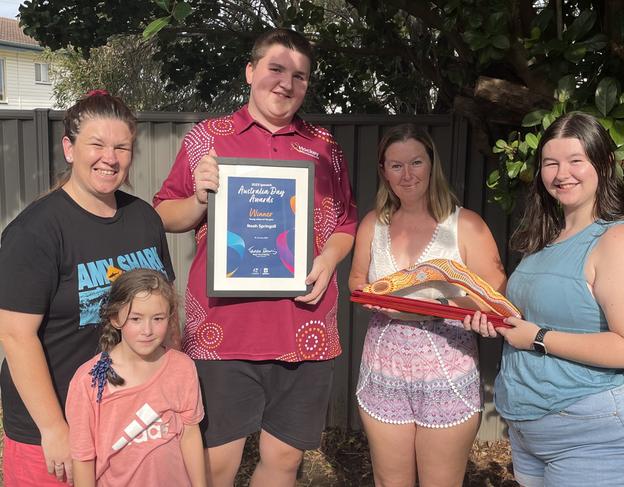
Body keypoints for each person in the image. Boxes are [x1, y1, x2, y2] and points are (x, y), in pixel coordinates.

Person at [154, 28, 357, 486]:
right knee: (214, 464)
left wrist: (328, 260)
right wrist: (201, 200)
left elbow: (347, 221)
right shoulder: (208, 139)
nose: (287, 83)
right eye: (277, 69)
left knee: (284, 461)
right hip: (225, 331)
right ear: (251, 71)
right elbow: (164, 212)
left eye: (300, 76)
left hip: (303, 328)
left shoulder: (325, 147)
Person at [0, 91, 176, 486]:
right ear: (69, 148)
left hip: (128, 418)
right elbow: (15, 334)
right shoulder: (35, 231)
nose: (109, 158)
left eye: (121, 147)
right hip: (54, 424)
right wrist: (54, 428)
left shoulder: (144, 219)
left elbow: (164, 312)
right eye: (96, 144)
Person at [465, 112, 624, 486]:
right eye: (551, 163)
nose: (562, 173)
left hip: (596, 435)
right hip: (531, 432)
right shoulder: (546, 241)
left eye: (575, 160)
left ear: (604, 164)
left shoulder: (618, 239)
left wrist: (537, 337)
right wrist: (498, 320)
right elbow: (534, 317)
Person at [348, 123, 507, 487]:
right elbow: (356, 280)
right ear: (383, 171)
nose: (407, 175)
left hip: (447, 373)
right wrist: (375, 295)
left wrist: (450, 301)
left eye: (416, 162)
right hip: (383, 369)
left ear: (432, 164)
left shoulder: (466, 225)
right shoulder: (374, 224)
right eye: (396, 165)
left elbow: (497, 299)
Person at [66, 269, 205, 486]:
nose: (147, 330)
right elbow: (83, 457)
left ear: (170, 316)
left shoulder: (182, 367)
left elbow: (189, 435)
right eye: (136, 319)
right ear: (114, 318)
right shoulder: (88, 380)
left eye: (157, 318)